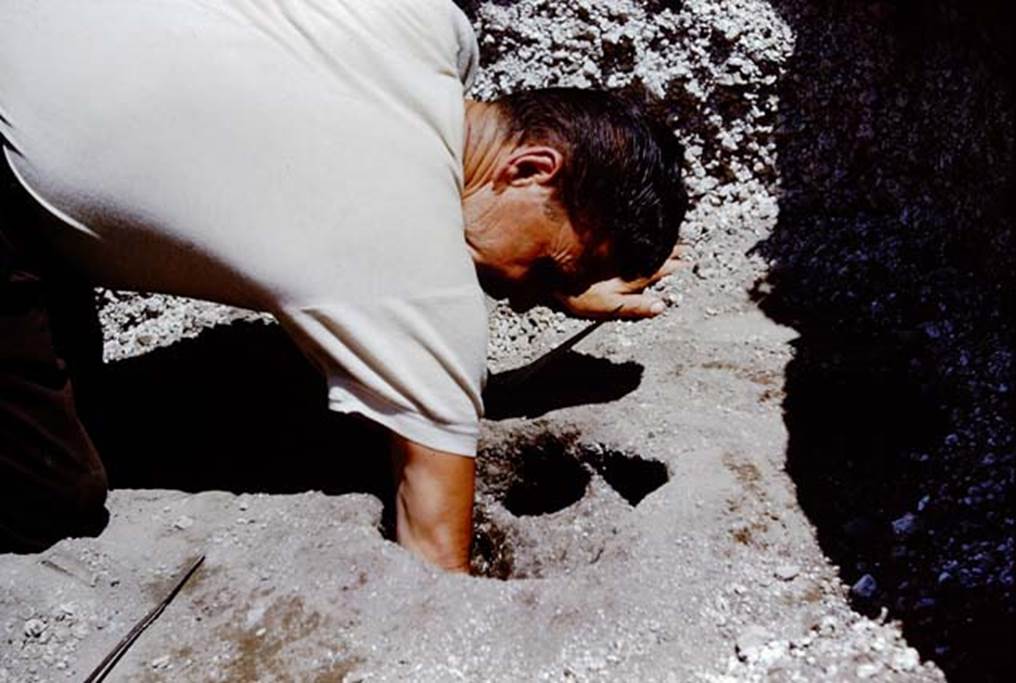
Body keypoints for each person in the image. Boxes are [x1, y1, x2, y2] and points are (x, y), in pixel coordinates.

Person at [0, 0, 686, 572]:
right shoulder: (412, 269)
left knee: (78, 400)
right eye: (549, 267)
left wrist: (555, 275)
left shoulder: (429, 25)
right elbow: (433, 557)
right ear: (532, 169)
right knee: (51, 492)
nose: (525, 291)